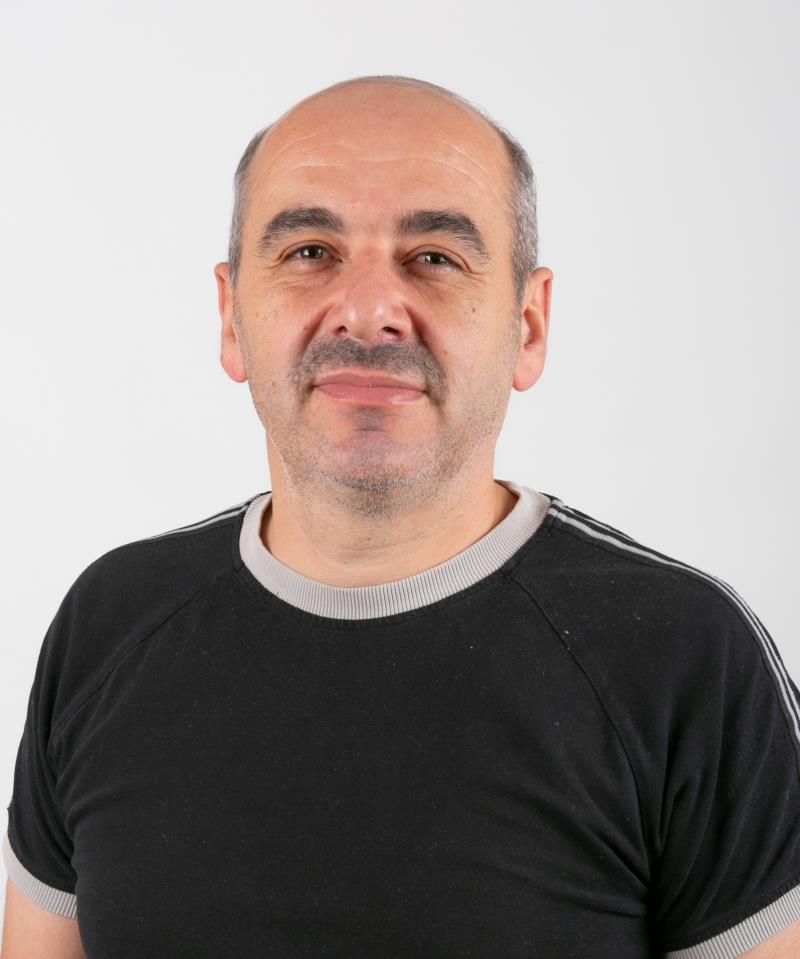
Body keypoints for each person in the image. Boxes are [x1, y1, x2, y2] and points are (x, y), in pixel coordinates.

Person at [2, 74, 799, 959]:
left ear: (528, 326)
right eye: (310, 251)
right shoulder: (108, 625)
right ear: (231, 317)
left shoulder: (684, 658)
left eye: (434, 257)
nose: (369, 311)